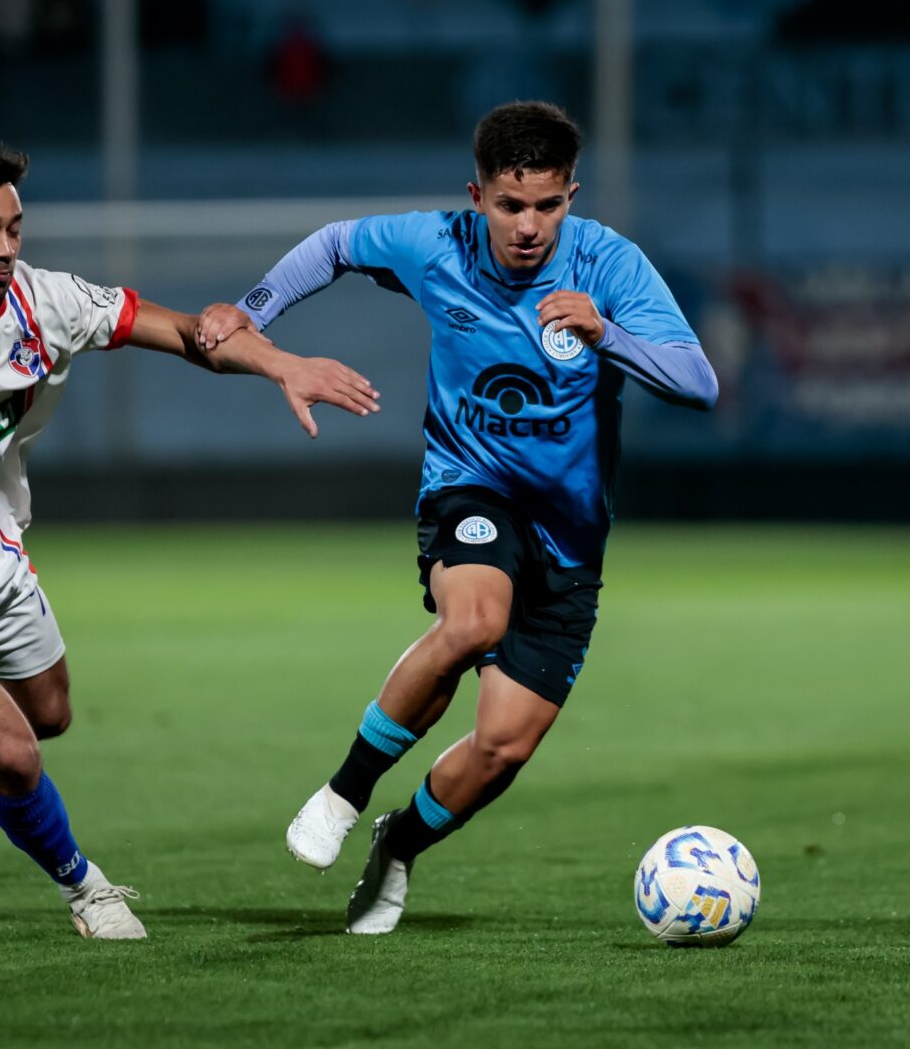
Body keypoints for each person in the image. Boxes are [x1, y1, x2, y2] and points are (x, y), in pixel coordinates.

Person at [0, 140, 379, 940]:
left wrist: (279, 364)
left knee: (47, 714)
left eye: (14, 228)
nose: (5, 247)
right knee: (12, 752)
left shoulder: (45, 301)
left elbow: (187, 333)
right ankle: (87, 890)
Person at [198, 101, 717, 934]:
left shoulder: (610, 266)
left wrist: (606, 334)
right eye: (509, 205)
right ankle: (343, 793)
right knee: (475, 621)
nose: (528, 226)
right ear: (476, 197)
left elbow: (699, 383)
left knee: (503, 747)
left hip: (569, 536)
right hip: (470, 486)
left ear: (571, 195)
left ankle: (398, 843)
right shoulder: (433, 243)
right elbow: (333, 244)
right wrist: (254, 308)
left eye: (546, 205)